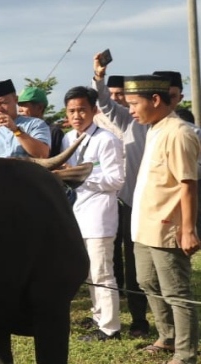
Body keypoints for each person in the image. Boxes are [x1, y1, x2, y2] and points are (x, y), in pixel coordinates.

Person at [124, 75, 200, 360]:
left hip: (168, 226)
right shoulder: (154, 128)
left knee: (177, 292)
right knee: (147, 282)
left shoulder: (179, 132)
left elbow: (188, 183)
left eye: (134, 104)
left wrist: (188, 229)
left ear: (155, 100)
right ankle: (167, 337)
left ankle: (185, 353)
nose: (130, 110)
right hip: (144, 225)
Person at [91, 57, 150, 338]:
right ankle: (106, 315)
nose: (127, 105)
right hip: (114, 201)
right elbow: (102, 101)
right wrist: (99, 76)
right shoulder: (119, 121)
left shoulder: (167, 128)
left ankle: (140, 320)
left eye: (129, 100)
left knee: (137, 263)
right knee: (108, 262)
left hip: (143, 202)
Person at [60, 86, 124, 342]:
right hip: (76, 213)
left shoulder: (106, 139)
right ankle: (98, 317)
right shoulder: (67, 138)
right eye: (72, 111)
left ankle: (110, 329)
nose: (77, 115)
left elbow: (116, 179)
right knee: (87, 272)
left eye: (82, 110)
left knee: (102, 271)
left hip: (99, 214)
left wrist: (80, 175)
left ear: (94, 111)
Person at [0, 79, 50, 161]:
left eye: (4, 103)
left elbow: (42, 155)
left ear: (15, 100)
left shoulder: (35, 124)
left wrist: (16, 130)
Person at [17, 86, 64, 157]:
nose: (19, 110)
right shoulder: (16, 129)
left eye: (24, 105)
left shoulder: (54, 132)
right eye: (19, 106)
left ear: (39, 108)